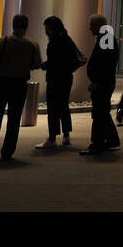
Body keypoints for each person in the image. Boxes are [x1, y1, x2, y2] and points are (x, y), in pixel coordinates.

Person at [0, 14, 43, 162]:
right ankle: (7, 152)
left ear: (13, 24)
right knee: (14, 120)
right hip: (19, 84)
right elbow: (36, 64)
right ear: (26, 26)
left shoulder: (3, 41)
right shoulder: (32, 44)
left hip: (1, 82)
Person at [36, 16, 83, 150]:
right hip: (67, 77)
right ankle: (66, 136)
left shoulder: (55, 42)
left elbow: (55, 61)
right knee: (63, 106)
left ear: (52, 28)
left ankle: (52, 138)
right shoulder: (67, 39)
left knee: (53, 108)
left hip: (55, 78)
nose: (46, 31)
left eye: (47, 28)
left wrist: (46, 65)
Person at [80, 13, 120, 156]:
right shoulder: (106, 37)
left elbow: (105, 63)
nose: (89, 28)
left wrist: (96, 81)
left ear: (98, 25)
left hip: (103, 83)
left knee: (98, 113)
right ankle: (112, 139)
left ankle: (96, 143)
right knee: (102, 112)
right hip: (104, 81)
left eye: (91, 25)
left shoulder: (106, 38)